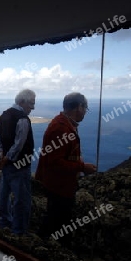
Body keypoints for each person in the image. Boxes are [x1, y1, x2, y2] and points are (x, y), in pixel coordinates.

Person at [35, 92, 97, 246]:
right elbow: (55, 163)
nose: (85, 112)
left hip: (59, 184)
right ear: (79, 107)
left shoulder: (63, 124)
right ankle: (53, 254)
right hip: (59, 185)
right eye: (85, 108)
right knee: (60, 223)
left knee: (54, 218)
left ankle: (44, 248)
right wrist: (83, 167)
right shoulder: (61, 128)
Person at [0, 89, 36, 236]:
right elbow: (20, 144)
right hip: (20, 165)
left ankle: (5, 222)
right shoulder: (22, 118)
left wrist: (1, 155)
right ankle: (19, 231)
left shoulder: (4, 115)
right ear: (22, 102)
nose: (33, 108)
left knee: (4, 194)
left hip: (7, 164)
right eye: (31, 104)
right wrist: (7, 158)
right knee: (21, 199)